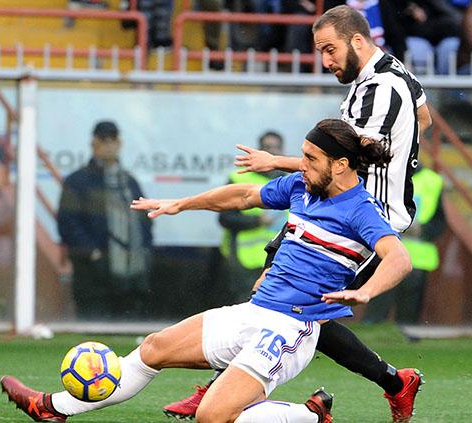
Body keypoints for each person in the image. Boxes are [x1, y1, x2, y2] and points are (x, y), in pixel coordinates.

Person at [1, 118, 414, 423]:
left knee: (211, 417)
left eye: (309, 158)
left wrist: (366, 291)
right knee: (153, 349)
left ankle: (309, 418)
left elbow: (398, 257)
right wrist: (182, 203)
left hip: (292, 329)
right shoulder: (303, 187)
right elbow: (242, 196)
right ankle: (53, 408)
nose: (298, 165)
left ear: (341, 165)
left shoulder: (360, 211)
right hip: (255, 311)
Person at [163, 5, 431, 423]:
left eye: (330, 50)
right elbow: (423, 118)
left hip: (360, 215)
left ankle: (217, 394)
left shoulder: (377, 90)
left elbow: (346, 160)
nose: (325, 61)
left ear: (358, 41)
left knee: (285, 298)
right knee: (293, 304)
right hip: (341, 207)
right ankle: (396, 383)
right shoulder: (395, 72)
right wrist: (401, 152)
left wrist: (277, 160)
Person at [56, 120, 153, 320]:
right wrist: (93, 254)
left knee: (128, 333)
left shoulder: (129, 181)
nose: (109, 145)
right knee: (93, 334)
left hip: (130, 275)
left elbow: (145, 219)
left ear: (120, 143)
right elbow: (68, 223)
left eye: (113, 139)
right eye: (103, 140)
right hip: (92, 276)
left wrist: (144, 253)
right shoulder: (78, 181)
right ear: (94, 143)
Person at [365, 163, 446, 324]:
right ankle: (371, 329)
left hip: (417, 258)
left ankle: (405, 334)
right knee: (377, 306)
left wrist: (423, 231)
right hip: (384, 254)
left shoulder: (432, 181)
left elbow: (440, 221)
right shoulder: (385, 176)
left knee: (408, 314)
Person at [218, 131, 286, 303]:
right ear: (260, 150)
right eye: (268, 147)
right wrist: (257, 221)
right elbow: (225, 218)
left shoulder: (288, 180)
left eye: (277, 147)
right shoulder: (239, 178)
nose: (273, 151)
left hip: (278, 259)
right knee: (245, 305)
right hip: (244, 258)